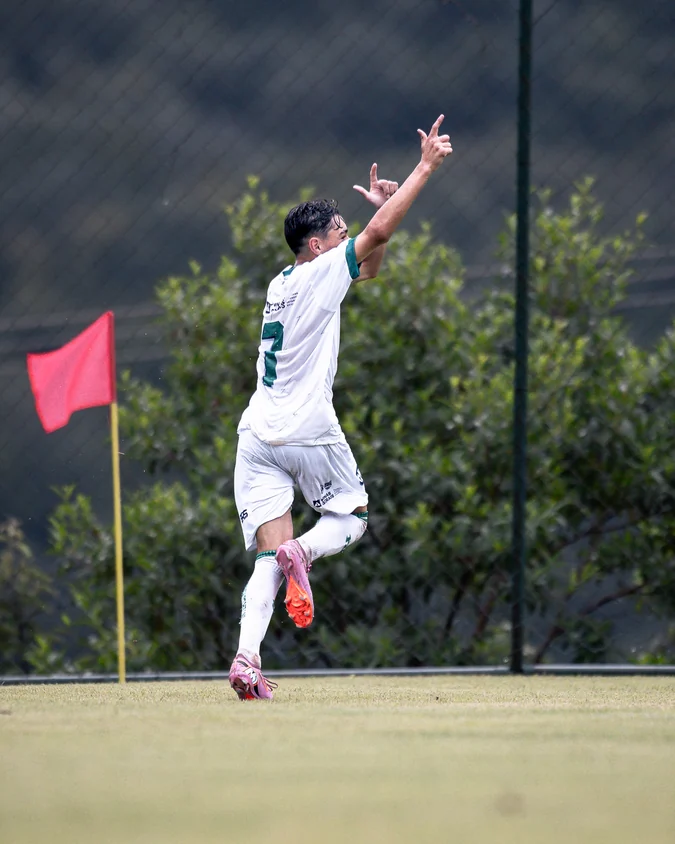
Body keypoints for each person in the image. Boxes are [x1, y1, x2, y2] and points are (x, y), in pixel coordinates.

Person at [228, 115, 453, 700]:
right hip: (305, 427)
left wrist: (383, 216)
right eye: (340, 231)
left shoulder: (283, 282)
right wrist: (421, 170)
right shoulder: (321, 271)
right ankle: (305, 550)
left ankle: (246, 660)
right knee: (350, 519)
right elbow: (375, 238)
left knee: (267, 560)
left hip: (257, 434)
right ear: (318, 245)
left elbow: (370, 264)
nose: (348, 235)